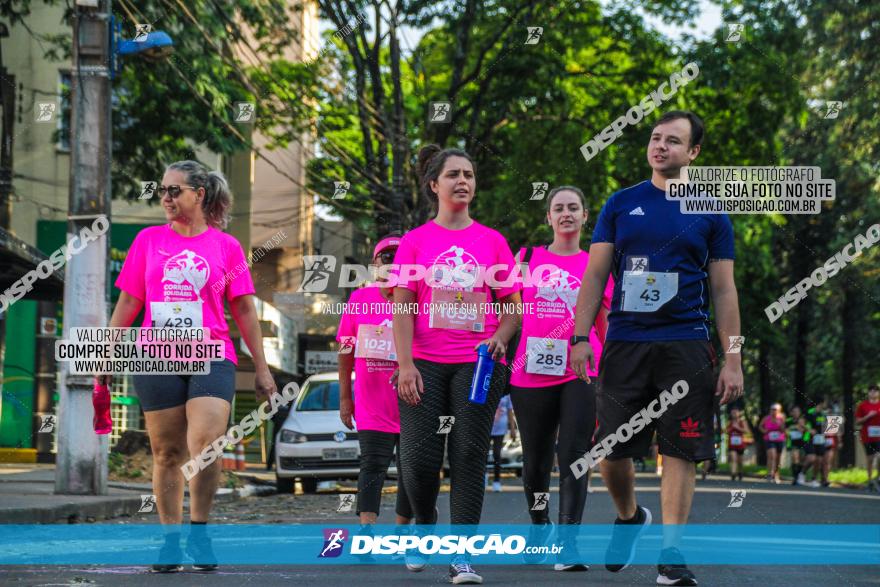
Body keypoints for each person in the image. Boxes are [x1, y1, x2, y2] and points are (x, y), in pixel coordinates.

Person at [570, 110, 743, 587]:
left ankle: (671, 554)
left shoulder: (711, 210)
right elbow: (595, 275)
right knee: (611, 449)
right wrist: (581, 337)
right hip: (626, 342)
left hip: (687, 344)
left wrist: (733, 359)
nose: (660, 146)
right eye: (655, 138)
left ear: (694, 153)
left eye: (673, 140)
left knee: (681, 449)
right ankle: (628, 516)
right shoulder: (621, 204)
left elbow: (725, 291)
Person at [102, 160, 278, 573]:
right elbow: (129, 303)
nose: (165, 197)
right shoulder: (147, 241)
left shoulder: (226, 247)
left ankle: (200, 532)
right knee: (167, 452)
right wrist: (107, 353)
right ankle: (169, 541)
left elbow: (245, 310)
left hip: (211, 351)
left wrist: (263, 368)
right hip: (157, 352)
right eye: (163, 191)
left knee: (206, 443)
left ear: (199, 195)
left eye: (174, 190)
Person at [391, 144, 523, 585]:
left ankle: (462, 555)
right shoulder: (414, 242)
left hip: (477, 362)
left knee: (468, 452)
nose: (463, 181)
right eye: (453, 175)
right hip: (424, 362)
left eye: (468, 174)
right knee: (419, 460)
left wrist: (499, 339)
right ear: (435, 185)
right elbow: (403, 307)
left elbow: (512, 307)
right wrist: (404, 363)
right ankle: (424, 521)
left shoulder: (492, 241)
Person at [508, 185, 612, 572]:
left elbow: (605, 321)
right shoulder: (526, 259)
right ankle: (539, 526)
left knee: (574, 456)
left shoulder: (598, 264)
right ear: (548, 218)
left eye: (573, 208)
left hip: (582, 370)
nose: (566, 213)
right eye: (558, 208)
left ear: (586, 216)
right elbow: (512, 313)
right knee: (536, 460)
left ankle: (568, 544)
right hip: (530, 369)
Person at [337, 235, 413, 532]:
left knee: (411, 469)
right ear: (374, 265)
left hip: (411, 400)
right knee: (372, 466)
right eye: (386, 256)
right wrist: (345, 398)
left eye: (398, 256)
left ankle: (402, 530)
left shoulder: (416, 299)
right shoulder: (359, 300)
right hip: (372, 403)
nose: (392, 261)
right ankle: (366, 530)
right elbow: (345, 351)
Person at [488, 395, 516, 492]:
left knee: (497, 454)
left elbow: (510, 411)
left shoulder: (507, 394)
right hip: (487, 427)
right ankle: (482, 478)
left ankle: (496, 481)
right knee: (482, 454)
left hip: (500, 429)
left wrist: (512, 429)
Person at [855, 385, 880, 491]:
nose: (873, 393)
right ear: (868, 393)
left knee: (879, 456)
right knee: (869, 459)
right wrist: (868, 416)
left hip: (879, 436)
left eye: (875, 391)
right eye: (871, 391)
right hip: (867, 436)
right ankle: (870, 481)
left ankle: (878, 478)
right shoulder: (862, 405)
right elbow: (858, 421)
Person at [805, 399, 829, 487]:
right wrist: (809, 429)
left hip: (821, 438)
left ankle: (814, 478)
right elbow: (804, 423)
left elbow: (827, 425)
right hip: (810, 438)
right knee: (812, 458)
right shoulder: (810, 412)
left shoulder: (824, 413)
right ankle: (802, 473)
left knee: (819, 460)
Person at [759, 404, 786, 483]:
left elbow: (783, 429)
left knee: (778, 458)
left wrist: (779, 424)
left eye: (775, 409)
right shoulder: (766, 418)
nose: (773, 411)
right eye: (772, 409)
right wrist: (764, 431)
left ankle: (776, 474)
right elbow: (760, 426)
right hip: (769, 439)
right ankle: (769, 474)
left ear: (779, 410)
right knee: (772, 456)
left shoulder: (781, 418)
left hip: (779, 439)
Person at [786, 406, 807, 485]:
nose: (795, 413)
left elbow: (804, 430)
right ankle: (795, 477)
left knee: (801, 461)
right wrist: (787, 432)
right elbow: (785, 430)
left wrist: (799, 426)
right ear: (791, 413)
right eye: (794, 411)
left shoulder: (802, 420)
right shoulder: (788, 421)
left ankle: (799, 475)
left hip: (802, 442)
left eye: (797, 411)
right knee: (795, 459)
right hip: (792, 443)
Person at [727, 408, 747, 481]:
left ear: (739, 413)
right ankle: (733, 473)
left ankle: (740, 472)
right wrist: (732, 428)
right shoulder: (730, 422)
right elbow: (726, 431)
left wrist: (737, 427)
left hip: (740, 445)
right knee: (733, 458)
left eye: (735, 412)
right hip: (732, 445)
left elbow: (746, 431)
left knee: (740, 461)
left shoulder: (742, 422)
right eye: (733, 413)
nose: (734, 414)